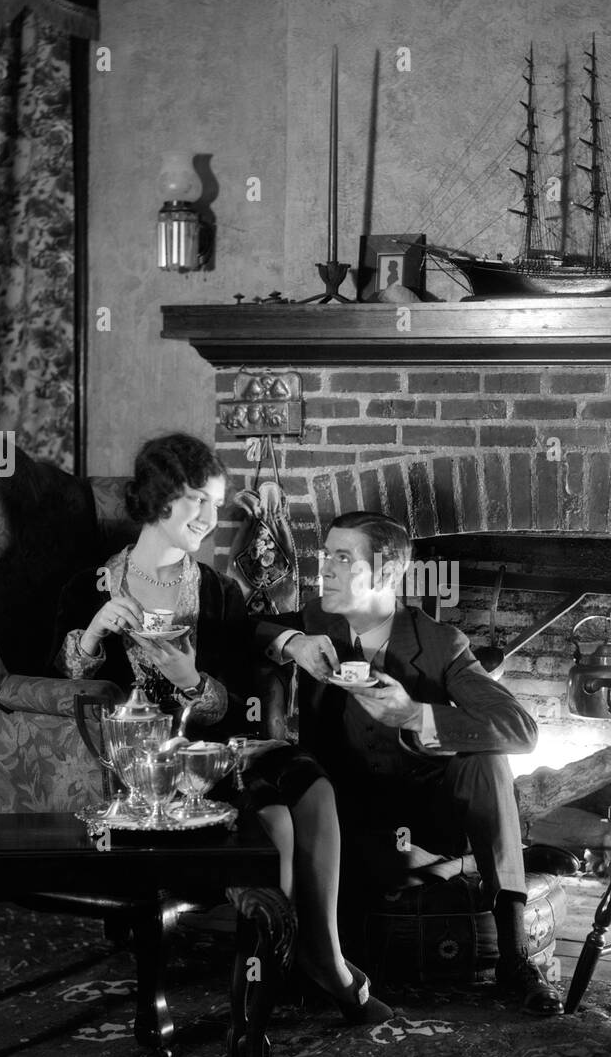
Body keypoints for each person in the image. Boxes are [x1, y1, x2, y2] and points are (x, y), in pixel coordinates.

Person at [53, 433, 391, 1025]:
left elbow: (235, 703)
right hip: (148, 765)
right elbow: (59, 679)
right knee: (278, 820)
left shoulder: (212, 590)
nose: (212, 520)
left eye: (217, 503)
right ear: (158, 500)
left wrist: (191, 679)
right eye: (197, 503)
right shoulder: (90, 588)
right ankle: (277, 979)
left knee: (310, 783)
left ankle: (323, 959)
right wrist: (92, 635)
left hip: (215, 747)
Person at [255, 510, 563, 1016]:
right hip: (345, 824)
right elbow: (237, 629)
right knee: (340, 826)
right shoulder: (315, 622)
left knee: (487, 765)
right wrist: (291, 643)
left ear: (386, 573)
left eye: (342, 558)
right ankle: (428, 883)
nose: (324, 569)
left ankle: (514, 957)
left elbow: (521, 730)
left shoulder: (440, 644)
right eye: (324, 555)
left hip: (427, 817)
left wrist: (416, 714)